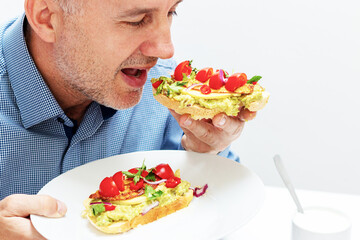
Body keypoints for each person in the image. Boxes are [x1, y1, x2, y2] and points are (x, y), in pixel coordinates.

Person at [0, 0, 256, 239]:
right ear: (46, 18)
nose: (166, 50)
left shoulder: (169, 95)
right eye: (136, 20)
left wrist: (206, 152)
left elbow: (229, 206)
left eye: (170, 12)